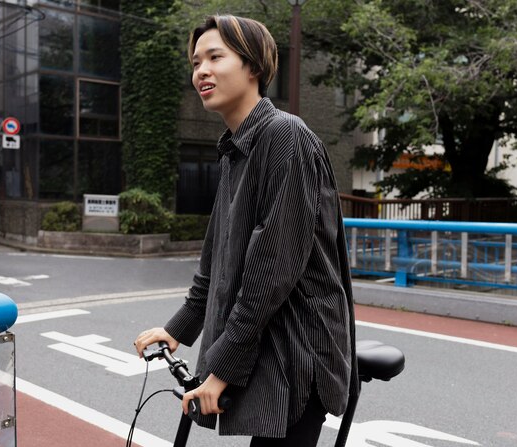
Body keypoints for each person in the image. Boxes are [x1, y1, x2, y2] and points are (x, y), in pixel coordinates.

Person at [134, 14, 358, 446]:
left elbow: (270, 271)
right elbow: (216, 263)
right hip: (270, 341)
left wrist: (220, 371)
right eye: (196, 62)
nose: (201, 70)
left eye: (215, 56)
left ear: (253, 66)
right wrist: (178, 329)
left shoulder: (284, 137)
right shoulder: (236, 150)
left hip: (299, 348)